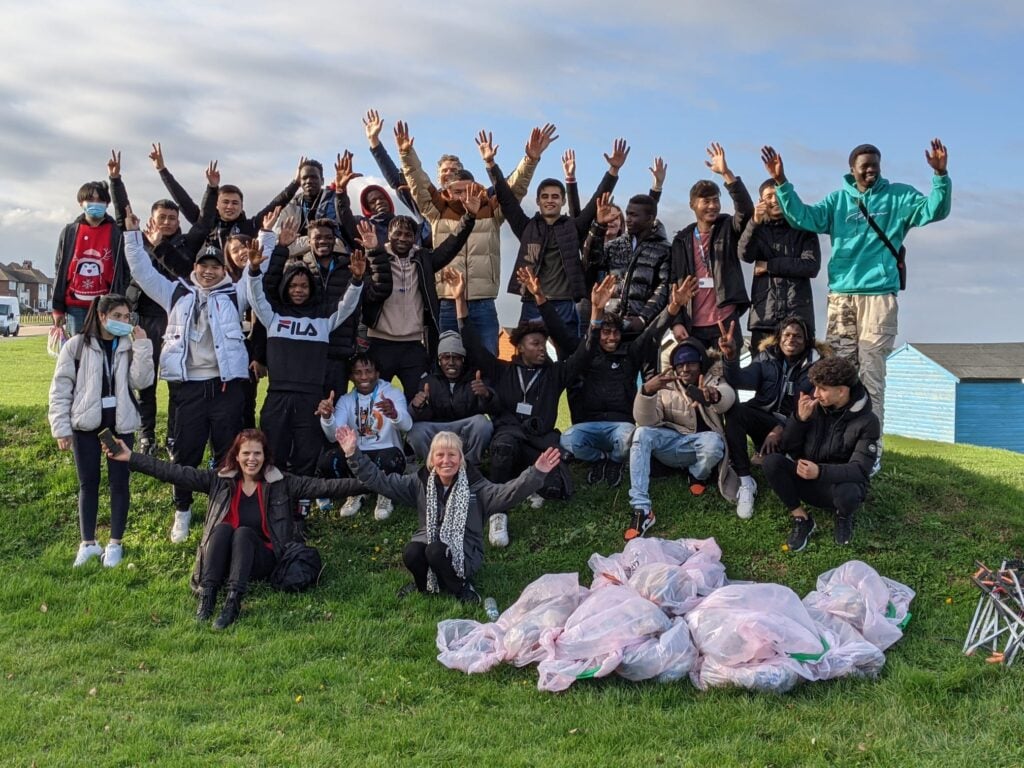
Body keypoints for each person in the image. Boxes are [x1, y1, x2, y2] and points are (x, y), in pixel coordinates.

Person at [762, 141, 951, 466]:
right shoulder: (838, 201)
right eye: (864, 164)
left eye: (875, 164)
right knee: (838, 372)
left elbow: (934, 210)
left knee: (872, 371)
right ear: (852, 169)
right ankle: (835, 443)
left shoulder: (898, 197)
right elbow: (804, 217)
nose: (870, 169)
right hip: (842, 296)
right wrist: (781, 183)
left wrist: (940, 175)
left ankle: (869, 450)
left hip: (879, 295)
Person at [124, 207, 277, 544]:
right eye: (203, 267)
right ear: (194, 269)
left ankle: (221, 508)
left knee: (226, 451)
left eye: (214, 267)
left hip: (225, 387)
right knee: (187, 452)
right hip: (188, 387)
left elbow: (256, 272)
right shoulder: (176, 293)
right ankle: (182, 510)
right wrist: (133, 236)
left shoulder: (233, 294)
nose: (208, 272)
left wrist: (267, 236)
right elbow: (142, 270)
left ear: (224, 270)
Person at [104, 429, 363, 628]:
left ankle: (233, 601)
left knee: (243, 533)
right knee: (223, 529)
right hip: (223, 559)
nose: (252, 459)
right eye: (246, 453)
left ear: (265, 456)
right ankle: (208, 597)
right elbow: (174, 472)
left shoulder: (282, 482)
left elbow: (328, 487)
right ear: (236, 456)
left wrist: (371, 482)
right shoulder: (219, 481)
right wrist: (131, 458)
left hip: (262, 559)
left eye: (257, 453)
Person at [453, 267, 599, 547]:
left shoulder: (555, 374)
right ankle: (498, 510)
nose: (541, 348)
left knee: (558, 487)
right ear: (520, 348)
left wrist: (597, 314)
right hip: (510, 436)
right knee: (504, 445)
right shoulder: (503, 370)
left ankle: (533, 485)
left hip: (540, 440)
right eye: (535, 343)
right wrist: (460, 302)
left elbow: (585, 352)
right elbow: (473, 346)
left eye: (543, 343)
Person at [338, 427, 561, 602]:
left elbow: (509, 493)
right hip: (429, 542)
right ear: (432, 459)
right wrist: (352, 454)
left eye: (452, 454)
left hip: (465, 552)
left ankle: (461, 587)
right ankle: (423, 586)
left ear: (460, 459)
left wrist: (536, 473)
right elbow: (382, 482)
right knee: (412, 551)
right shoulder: (419, 482)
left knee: (435, 550)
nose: (446, 460)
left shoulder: (476, 486)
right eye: (440, 455)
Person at [397, 120, 554, 353]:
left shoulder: (491, 211)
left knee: (488, 361)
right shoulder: (437, 211)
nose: (463, 196)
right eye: (457, 191)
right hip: (448, 302)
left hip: (483, 303)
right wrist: (406, 153)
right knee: (446, 361)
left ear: (478, 189)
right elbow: (418, 183)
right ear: (448, 191)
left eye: (469, 190)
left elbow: (514, 187)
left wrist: (530, 159)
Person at [107, 149, 214, 455]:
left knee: (176, 383)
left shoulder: (187, 244)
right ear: (151, 220)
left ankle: (173, 437)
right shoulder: (138, 239)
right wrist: (116, 179)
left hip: (173, 320)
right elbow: (122, 214)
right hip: (142, 318)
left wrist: (208, 188)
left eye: (171, 217)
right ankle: (146, 434)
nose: (167, 222)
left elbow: (205, 221)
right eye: (161, 218)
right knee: (144, 381)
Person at [245, 238, 365, 505]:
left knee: (307, 451)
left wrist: (356, 280)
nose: (298, 290)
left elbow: (346, 306)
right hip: (278, 395)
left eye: (304, 286)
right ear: (286, 288)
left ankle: (302, 499)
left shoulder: (323, 319)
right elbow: (256, 298)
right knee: (273, 447)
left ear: (311, 289)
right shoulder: (274, 316)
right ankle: (272, 497)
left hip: (310, 396)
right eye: (293, 286)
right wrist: (253, 271)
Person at [558, 274, 696, 487]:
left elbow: (652, 333)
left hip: (621, 425)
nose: (612, 338)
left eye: (615, 333)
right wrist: (596, 311)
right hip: (589, 423)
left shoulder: (630, 355)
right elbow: (588, 339)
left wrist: (674, 306)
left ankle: (614, 461)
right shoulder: (587, 356)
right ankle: (600, 460)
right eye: (606, 333)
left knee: (628, 438)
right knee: (567, 440)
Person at [47, 295, 154, 568]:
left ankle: (115, 544)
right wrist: (61, 428)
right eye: (117, 316)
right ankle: (88, 544)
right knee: (88, 483)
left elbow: (142, 381)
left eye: (127, 317)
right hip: (85, 426)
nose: (122, 321)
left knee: (119, 484)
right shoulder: (76, 346)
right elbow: (60, 389)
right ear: (102, 316)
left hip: (120, 426)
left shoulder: (129, 345)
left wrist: (142, 345)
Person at [487, 133, 628, 334]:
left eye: (555, 196)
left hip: (564, 304)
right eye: (545, 196)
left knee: (566, 359)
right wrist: (491, 163)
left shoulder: (573, 227)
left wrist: (613, 170)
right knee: (529, 355)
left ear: (562, 201)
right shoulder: (527, 227)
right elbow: (506, 198)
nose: (550, 200)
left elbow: (596, 200)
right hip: (532, 302)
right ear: (538, 201)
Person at [361, 191, 479, 394]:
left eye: (408, 235)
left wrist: (468, 217)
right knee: (374, 400)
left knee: (420, 398)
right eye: (397, 233)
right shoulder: (377, 258)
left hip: (413, 345)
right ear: (388, 234)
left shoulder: (423, 258)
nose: (402, 238)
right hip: (380, 342)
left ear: (414, 237)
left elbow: (450, 246)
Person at [762, 357, 881, 551]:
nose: (816, 394)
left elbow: (860, 470)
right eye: (815, 387)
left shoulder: (868, 421)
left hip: (836, 486)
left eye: (823, 389)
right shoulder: (814, 406)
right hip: (807, 478)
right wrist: (799, 420)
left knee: (849, 493)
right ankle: (802, 518)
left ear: (842, 391)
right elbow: (787, 448)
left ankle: (843, 516)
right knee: (772, 462)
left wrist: (821, 472)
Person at [626, 338, 738, 541]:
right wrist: (647, 392)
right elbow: (646, 421)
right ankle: (642, 509)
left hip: (700, 445)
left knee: (714, 443)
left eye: (691, 363)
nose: (685, 369)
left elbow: (727, 397)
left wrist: (713, 396)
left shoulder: (713, 379)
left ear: (700, 364)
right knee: (641, 433)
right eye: (680, 365)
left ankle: (697, 474)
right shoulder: (664, 383)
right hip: (671, 444)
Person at [719, 315, 824, 519]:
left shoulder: (816, 367)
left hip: (797, 428)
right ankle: (746, 480)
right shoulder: (766, 358)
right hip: (766, 422)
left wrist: (781, 428)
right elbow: (740, 379)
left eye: (798, 336)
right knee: (735, 410)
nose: (791, 339)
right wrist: (730, 357)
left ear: (807, 340)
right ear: (778, 337)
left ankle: (782, 459)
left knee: (801, 426)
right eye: (786, 334)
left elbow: (814, 408)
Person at [669, 143, 754, 354]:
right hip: (692, 325)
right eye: (706, 201)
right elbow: (673, 282)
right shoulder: (682, 240)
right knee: (693, 380)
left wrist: (726, 174)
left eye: (716, 200)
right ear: (692, 205)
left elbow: (746, 211)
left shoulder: (728, 226)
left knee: (728, 379)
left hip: (725, 320)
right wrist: (676, 321)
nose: (712, 206)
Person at [148, 142, 301, 249]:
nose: (230, 206)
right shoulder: (204, 224)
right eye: (225, 202)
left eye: (235, 203)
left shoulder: (250, 226)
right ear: (216, 205)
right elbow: (182, 200)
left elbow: (275, 205)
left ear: (241, 206)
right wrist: (162, 170)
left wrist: (296, 183)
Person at [317, 352, 412, 521]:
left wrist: (394, 413)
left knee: (391, 459)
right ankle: (356, 491)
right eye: (357, 372)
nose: (364, 377)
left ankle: (384, 493)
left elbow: (407, 426)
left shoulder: (391, 393)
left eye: (368, 371)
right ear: (351, 377)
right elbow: (333, 437)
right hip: (357, 455)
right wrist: (327, 417)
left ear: (377, 373)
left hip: (386, 452)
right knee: (328, 462)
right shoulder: (346, 400)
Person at [736, 178, 821, 353]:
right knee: (762, 371)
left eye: (777, 195)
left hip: (798, 315)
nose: (774, 200)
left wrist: (770, 266)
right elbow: (744, 254)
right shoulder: (757, 228)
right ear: (761, 201)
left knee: (799, 372)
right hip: (764, 314)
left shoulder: (803, 226)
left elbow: (811, 266)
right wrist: (754, 221)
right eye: (768, 196)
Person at [584, 192, 672, 344]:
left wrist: (642, 319)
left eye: (634, 215)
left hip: (644, 330)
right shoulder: (615, 245)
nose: (628, 219)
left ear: (650, 218)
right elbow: (590, 262)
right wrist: (598, 226)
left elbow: (664, 288)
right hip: (610, 323)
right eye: (627, 214)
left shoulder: (664, 249)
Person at [52, 180, 130, 336]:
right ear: (81, 203)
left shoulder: (116, 232)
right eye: (90, 200)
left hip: (107, 306)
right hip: (76, 306)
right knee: (79, 351)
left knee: (105, 351)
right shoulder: (69, 232)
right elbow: (59, 269)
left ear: (107, 203)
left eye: (100, 200)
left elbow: (124, 268)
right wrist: (57, 308)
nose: (96, 204)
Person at [407, 330, 495, 466]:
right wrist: (416, 407)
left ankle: (470, 466)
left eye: (457, 357)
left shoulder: (475, 379)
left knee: (483, 424)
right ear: (439, 361)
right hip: (438, 430)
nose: (451, 362)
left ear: (463, 360)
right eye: (446, 357)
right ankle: (433, 467)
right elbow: (419, 417)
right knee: (415, 431)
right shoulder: (428, 381)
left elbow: (493, 409)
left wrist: (486, 395)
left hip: (464, 429)